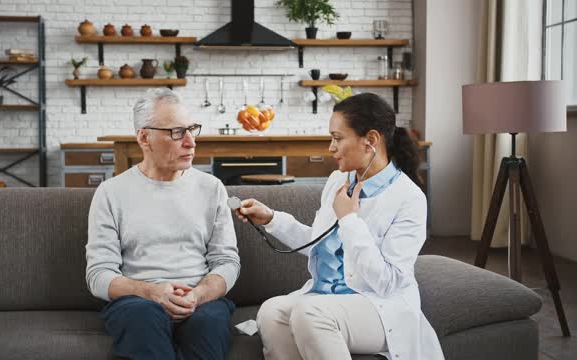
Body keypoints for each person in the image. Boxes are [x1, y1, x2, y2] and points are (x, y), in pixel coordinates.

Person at [234, 93, 444, 360]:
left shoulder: (409, 199)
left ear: (371, 140)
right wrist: (272, 218)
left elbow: (387, 281)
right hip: (326, 297)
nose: (331, 147)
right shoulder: (338, 180)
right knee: (271, 312)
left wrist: (349, 220)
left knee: (310, 313)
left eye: (337, 138)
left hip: (378, 306)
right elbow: (320, 244)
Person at [86, 88, 241, 360]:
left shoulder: (212, 188)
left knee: (209, 324)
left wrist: (199, 294)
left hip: (200, 300)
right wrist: (151, 292)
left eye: (192, 129)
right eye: (177, 132)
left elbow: (227, 261)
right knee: (142, 316)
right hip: (138, 303)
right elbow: (98, 275)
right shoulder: (111, 193)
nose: (191, 142)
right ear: (144, 137)